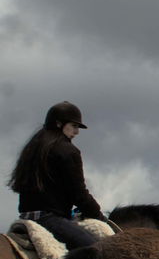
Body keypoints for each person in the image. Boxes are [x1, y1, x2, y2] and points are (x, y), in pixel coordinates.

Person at [8, 101, 105, 249]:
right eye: (74, 126)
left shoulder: (34, 147)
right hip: (50, 219)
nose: (77, 132)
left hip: (26, 217)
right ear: (59, 124)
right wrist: (98, 215)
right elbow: (78, 193)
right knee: (97, 250)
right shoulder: (68, 151)